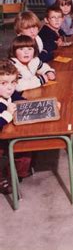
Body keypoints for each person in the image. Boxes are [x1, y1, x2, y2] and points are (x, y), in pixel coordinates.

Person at [0, 59, 29, 195]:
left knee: (26, 148)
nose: (10, 88)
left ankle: (17, 174)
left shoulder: (11, 95)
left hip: (9, 137)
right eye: (3, 83)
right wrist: (7, 114)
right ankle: (2, 179)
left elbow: (19, 98)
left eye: (13, 82)